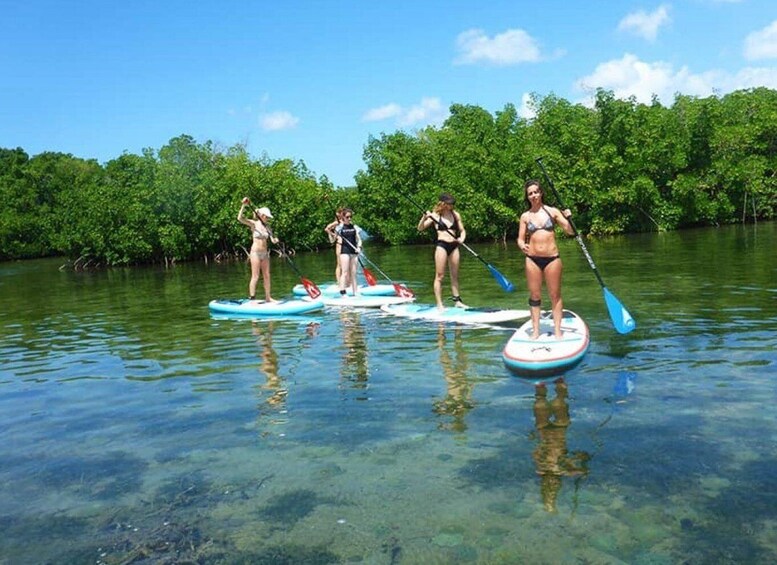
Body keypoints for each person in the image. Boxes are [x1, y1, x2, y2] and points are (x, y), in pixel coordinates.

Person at [517, 180, 574, 339]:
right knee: (535, 296)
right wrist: (522, 246)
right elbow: (520, 239)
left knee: (555, 295)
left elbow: (570, 231)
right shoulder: (525, 216)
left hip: (552, 259)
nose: (534, 195)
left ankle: (557, 330)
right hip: (532, 259)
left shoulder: (553, 211)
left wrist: (569, 218)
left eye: (536, 192)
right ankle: (535, 331)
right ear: (527, 197)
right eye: (530, 193)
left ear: (541, 192)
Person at [418, 193, 468, 311]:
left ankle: (457, 301)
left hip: (454, 246)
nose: (452, 205)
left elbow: (462, 230)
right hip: (442, 246)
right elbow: (420, 228)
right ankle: (439, 304)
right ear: (444, 204)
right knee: (440, 276)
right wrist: (424, 217)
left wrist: (462, 238)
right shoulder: (435, 216)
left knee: (455, 276)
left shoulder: (456, 215)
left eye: (452, 203)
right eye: (450, 203)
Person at [238, 197, 279, 301]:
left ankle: (268, 297)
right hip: (255, 252)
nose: (268, 218)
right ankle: (252, 298)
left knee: (267, 275)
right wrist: (244, 205)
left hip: (265, 253)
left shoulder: (268, 227)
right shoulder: (254, 223)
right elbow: (240, 218)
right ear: (262, 215)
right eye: (267, 216)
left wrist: (275, 240)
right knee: (255, 276)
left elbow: (272, 239)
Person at [335, 208, 362, 296]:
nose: (349, 218)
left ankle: (355, 292)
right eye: (347, 217)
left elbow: (359, 239)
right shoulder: (339, 227)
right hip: (345, 252)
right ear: (343, 217)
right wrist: (336, 233)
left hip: (353, 252)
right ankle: (343, 292)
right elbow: (334, 238)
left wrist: (359, 247)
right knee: (345, 272)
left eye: (351, 217)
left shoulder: (354, 227)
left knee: (354, 273)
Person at [324, 208, 345, 281]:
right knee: (339, 264)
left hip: (346, 245)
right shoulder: (336, 223)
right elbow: (326, 229)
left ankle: (346, 281)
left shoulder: (345, 222)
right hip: (339, 245)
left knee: (345, 265)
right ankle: (339, 282)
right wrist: (334, 235)